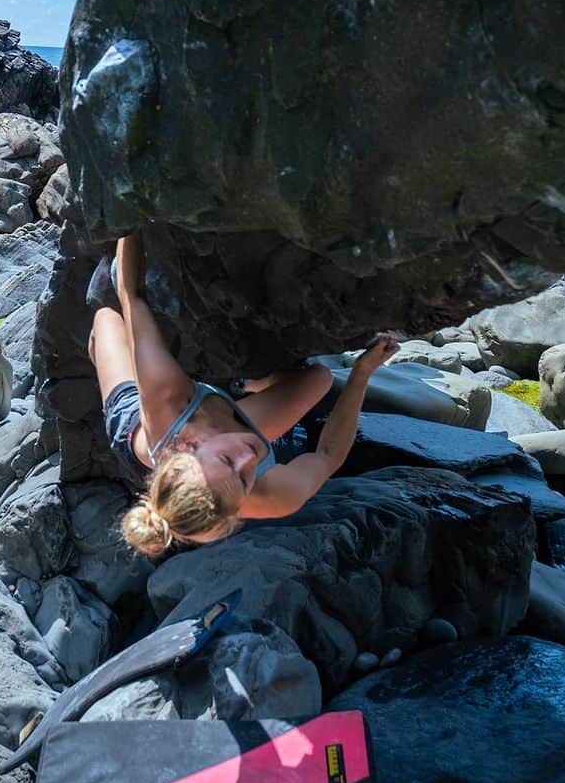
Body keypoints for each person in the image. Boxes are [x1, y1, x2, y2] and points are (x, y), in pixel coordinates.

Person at [88, 234, 399, 558]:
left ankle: (240, 388)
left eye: (227, 461)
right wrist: (362, 374)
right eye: (244, 480)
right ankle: (245, 387)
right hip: (213, 428)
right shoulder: (272, 497)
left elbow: (132, 298)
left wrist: (127, 219)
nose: (250, 458)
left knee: (106, 320)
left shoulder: (166, 400)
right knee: (320, 379)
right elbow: (327, 457)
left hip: (135, 424)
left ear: (186, 446)